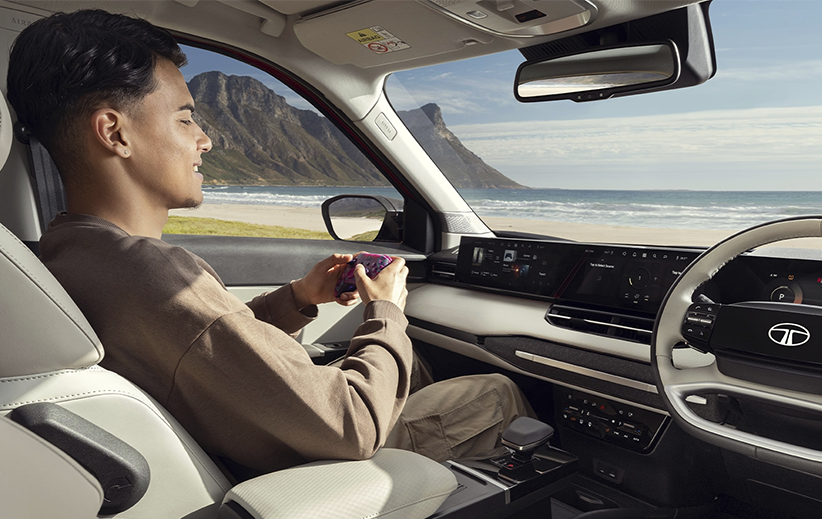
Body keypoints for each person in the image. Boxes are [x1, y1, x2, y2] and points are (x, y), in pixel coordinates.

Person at [6, 9, 532, 475]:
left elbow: (200, 348)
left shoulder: (60, 253)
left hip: (239, 444)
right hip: (297, 471)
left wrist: (298, 299)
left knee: (411, 369)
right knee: (495, 392)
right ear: (114, 132)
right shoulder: (153, 272)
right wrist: (387, 313)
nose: (205, 140)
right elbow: (350, 426)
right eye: (185, 117)